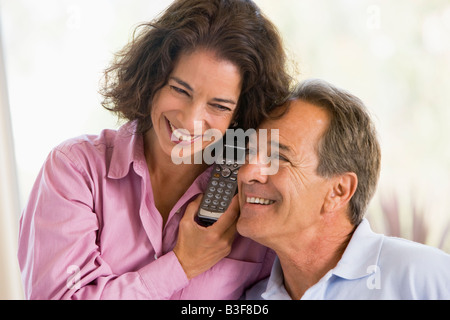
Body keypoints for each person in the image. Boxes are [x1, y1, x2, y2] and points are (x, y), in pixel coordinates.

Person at [18, 0, 292, 299]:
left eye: (218, 106)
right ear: (154, 79)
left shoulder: (253, 193)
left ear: (239, 114)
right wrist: (182, 265)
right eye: (180, 90)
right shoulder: (74, 170)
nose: (190, 120)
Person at [239, 79, 450, 300]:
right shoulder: (252, 299)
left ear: (338, 191)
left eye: (278, 157)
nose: (245, 172)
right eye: (249, 152)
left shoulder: (423, 277)